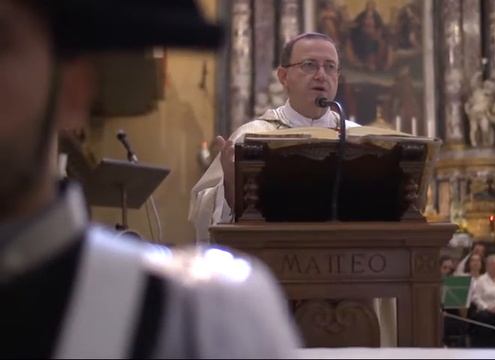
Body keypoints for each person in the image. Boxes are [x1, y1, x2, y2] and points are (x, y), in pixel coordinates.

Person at [0, 0, 299, 357]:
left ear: (72, 90)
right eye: (310, 64)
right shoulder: (255, 132)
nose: (321, 74)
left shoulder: (197, 324)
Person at [189, 32, 359, 242]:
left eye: (330, 66)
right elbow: (202, 212)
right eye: (309, 65)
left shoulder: (359, 139)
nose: (321, 75)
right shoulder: (250, 137)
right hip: (272, 256)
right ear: (283, 77)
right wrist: (230, 188)